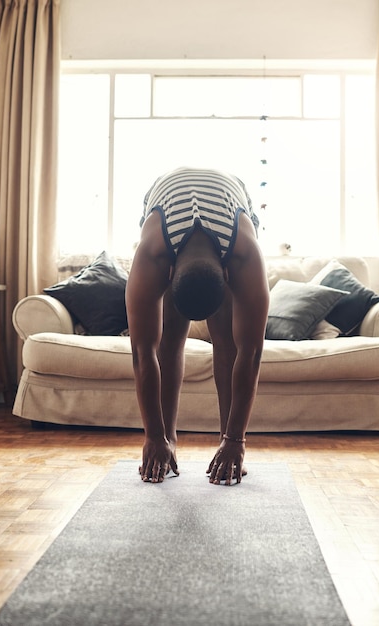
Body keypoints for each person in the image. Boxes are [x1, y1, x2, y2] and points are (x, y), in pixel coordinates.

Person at [126, 167, 269, 485]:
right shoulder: (152, 251)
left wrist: (236, 440)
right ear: (168, 271)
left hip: (231, 195)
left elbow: (252, 351)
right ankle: (168, 442)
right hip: (166, 191)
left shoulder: (244, 252)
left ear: (229, 273)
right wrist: (153, 436)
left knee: (229, 341)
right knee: (167, 339)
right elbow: (141, 352)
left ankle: (225, 442)